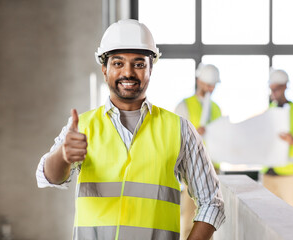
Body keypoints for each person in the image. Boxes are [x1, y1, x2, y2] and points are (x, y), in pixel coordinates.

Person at [36, 19, 225, 240]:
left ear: (151, 69)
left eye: (139, 64)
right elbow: (48, 176)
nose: (128, 72)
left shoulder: (179, 129)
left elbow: (212, 202)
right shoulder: (82, 126)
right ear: (104, 70)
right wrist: (64, 156)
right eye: (118, 63)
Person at [174, 63, 221, 240]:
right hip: (193, 170)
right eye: (207, 84)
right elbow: (177, 139)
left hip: (214, 168)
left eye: (213, 85)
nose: (210, 88)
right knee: (191, 218)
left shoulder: (215, 108)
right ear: (198, 81)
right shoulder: (184, 106)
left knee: (212, 219)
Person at [261, 68, 293, 213]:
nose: (274, 93)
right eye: (271, 89)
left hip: (290, 177)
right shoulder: (268, 111)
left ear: (285, 86)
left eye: (276, 89)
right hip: (268, 174)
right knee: (269, 218)